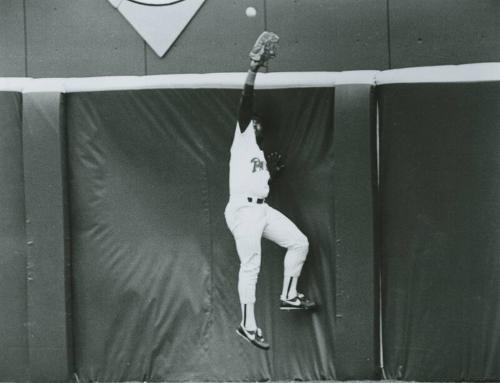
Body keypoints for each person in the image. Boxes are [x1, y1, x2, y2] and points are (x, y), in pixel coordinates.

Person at [224, 32, 317, 351]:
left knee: (299, 242)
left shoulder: (260, 157)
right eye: (252, 122)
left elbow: (259, 185)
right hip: (242, 210)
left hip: (260, 208)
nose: (255, 123)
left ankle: (289, 295)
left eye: (258, 123)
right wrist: (252, 69)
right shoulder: (243, 139)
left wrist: (272, 174)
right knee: (251, 265)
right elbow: (245, 104)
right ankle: (247, 325)